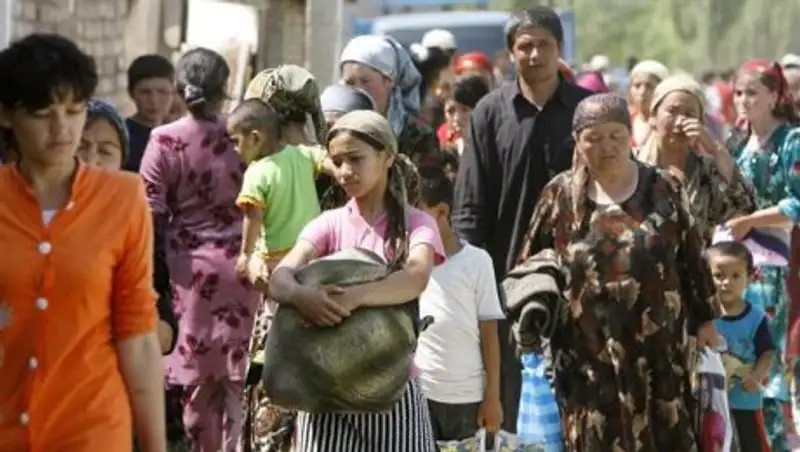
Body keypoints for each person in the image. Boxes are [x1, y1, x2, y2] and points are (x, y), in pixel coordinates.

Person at [513, 93, 718, 450]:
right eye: (593, 138)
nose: (606, 147)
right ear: (577, 141)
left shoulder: (664, 187)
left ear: (629, 135)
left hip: (658, 353)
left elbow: (693, 258)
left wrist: (705, 322)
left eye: (615, 136)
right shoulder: (560, 196)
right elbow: (529, 266)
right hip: (586, 357)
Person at [0, 33, 166, 452]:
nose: (62, 130)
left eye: (74, 111)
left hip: (92, 428)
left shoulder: (122, 198)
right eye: (43, 114)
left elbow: (137, 335)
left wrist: (154, 445)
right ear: (7, 115)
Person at [451, 6, 593, 431]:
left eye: (544, 45)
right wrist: (465, 271)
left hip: (578, 272)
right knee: (511, 391)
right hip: (506, 273)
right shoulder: (490, 112)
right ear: (510, 53)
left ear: (559, 48)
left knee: (579, 389)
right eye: (525, 46)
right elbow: (471, 200)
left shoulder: (586, 110)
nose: (535, 55)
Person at [268, 110, 443, 451]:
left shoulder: (417, 224)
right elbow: (280, 278)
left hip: (392, 385)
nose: (345, 170)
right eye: (337, 162)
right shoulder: (329, 223)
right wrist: (302, 296)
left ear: (386, 157)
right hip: (323, 387)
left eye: (356, 158)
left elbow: (415, 278)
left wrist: (355, 296)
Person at [139, 47, 259, 452]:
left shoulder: (164, 140)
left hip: (190, 279)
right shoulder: (248, 135)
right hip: (246, 269)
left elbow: (148, 215)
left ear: (178, 89)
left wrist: (147, 279)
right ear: (225, 90)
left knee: (197, 389)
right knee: (239, 383)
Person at [724, 58, 800, 451]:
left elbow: (796, 203)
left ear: (774, 96)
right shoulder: (737, 141)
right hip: (736, 266)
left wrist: (750, 220)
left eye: (752, 92)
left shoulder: (791, 141)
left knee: (769, 357)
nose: (743, 100)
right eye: (738, 92)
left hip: (775, 267)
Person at [414, 165, 504, 445]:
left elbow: (490, 336)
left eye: (416, 216)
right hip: (420, 395)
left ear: (441, 212)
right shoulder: (409, 265)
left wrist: (492, 397)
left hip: (466, 398)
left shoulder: (477, 262)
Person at [634, 74, 755, 243]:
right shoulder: (631, 164)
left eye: (689, 114)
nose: (680, 121)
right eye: (672, 111)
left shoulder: (706, 170)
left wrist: (716, 149)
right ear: (653, 117)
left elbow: (745, 210)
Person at [707, 241, 774, 452]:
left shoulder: (756, 318)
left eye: (736, 276)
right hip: (710, 403)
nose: (726, 282)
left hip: (745, 400)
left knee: (750, 444)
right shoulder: (703, 317)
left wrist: (757, 375)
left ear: (750, 277)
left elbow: (767, 352)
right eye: (719, 275)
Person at [339, 34, 440, 165]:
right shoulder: (336, 129)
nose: (358, 90)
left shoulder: (418, 135)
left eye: (365, 81)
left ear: (388, 81)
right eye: (350, 83)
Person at [124, 54, 176, 172]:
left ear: (173, 93)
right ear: (131, 93)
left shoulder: (179, 135)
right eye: (145, 92)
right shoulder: (121, 136)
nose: (154, 101)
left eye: (162, 92)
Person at [438, 75, 491, 154]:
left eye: (465, 110)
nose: (457, 118)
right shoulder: (445, 151)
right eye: (450, 111)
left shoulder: (496, 148)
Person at [627, 59, 669, 147]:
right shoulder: (625, 121)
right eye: (637, 86)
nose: (642, 92)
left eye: (649, 87)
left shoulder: (668, 123)